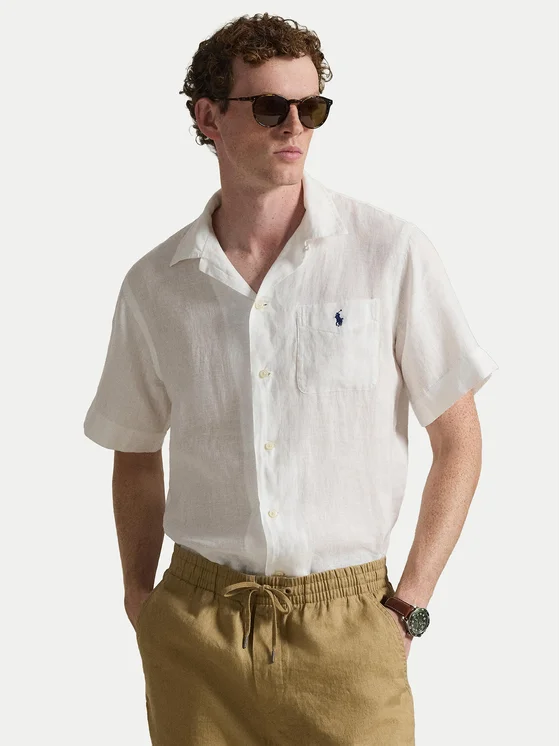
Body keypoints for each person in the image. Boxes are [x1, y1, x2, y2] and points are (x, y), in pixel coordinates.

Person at [83, 12, 498, 746]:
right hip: (197, 632)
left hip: (351, 631)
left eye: (312, 108)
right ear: (208, 117)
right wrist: (141, 601)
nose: (295, 127)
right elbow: (136, 450)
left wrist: (410, 604)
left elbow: (458, 440)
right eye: (271, 106)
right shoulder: (156, 285)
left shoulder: (390, 254)